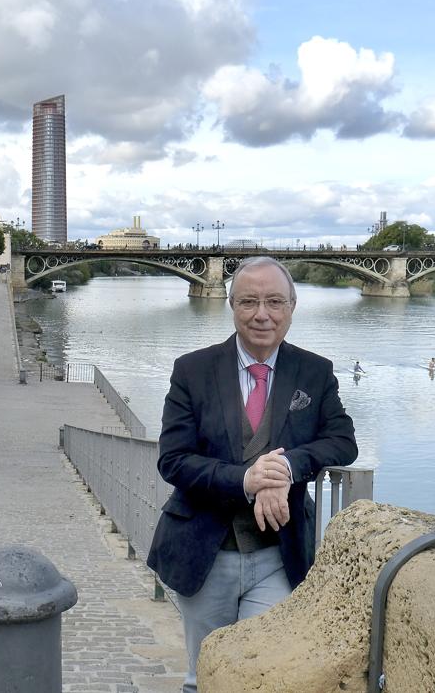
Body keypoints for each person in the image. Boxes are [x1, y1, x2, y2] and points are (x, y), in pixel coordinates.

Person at [147, 256, 358, 693]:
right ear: (232, 306)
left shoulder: (315, 372)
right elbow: (173, 458)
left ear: (292, 306)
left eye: (275, 301)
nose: (263, 314)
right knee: (203, 673)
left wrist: (284, 467)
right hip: (205, 552)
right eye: (249, 302)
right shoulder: (193, 370)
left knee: (261, 675)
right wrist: (246, 480)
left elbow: (342, 441)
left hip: (278, 557)